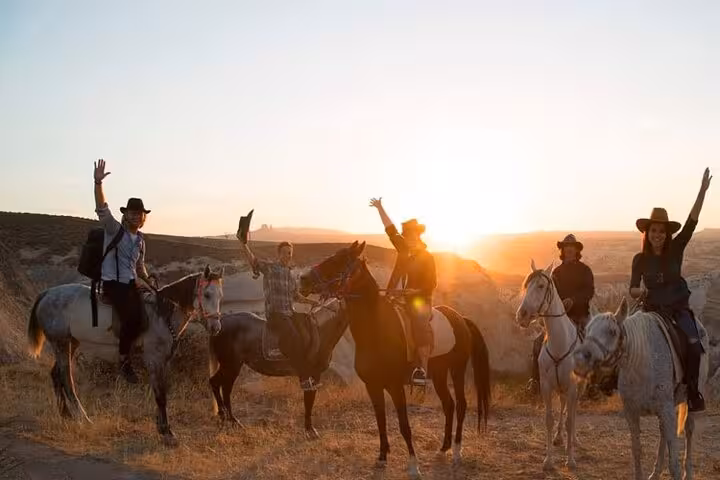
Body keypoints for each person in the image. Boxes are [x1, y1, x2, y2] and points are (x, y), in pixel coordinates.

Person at [629, 168, 712, 413]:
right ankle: (629, 388)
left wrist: (702, 192)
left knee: (694, 343)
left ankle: (692, 391)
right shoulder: (639, 259)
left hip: (677, 309)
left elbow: (692, 221)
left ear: (667, 234)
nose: (657, 235)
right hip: (651, 308)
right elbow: (633, 287)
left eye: (661, 231)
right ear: (647, 233)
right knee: (624, 340)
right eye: (653, 230)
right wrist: (639, 294)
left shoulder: (676, 248)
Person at [236, 233, 322, 391]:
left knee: (307, 325)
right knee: (294, 336)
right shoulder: (270, 268)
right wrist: (244, 244)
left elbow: (296, 296)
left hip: (289, 311)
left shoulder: (291, 274)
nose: (287, 256)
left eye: (290, 253)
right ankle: (303, 379)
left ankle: (306, 364)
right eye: (284, 253)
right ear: (279, 254)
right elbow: (253, 262)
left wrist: (313, 302)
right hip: (276, 313)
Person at [93, 159, 153, 384]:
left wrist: (148, 279)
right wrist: (98, 183)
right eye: (132, 212)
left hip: (131, 283)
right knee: (131, 319)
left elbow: (140, 266)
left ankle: (138, 352)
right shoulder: (114, 229)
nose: (136, 216)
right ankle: (124, 363)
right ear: (125, 214)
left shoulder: (140, 240)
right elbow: (102, 208)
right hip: (113, 283)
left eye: (140, 213)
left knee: (149, 314)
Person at [369, 197, 437, 386]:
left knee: (418, 325)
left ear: (418, 236)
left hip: (419, 301)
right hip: (395, 297)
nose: (409, 238)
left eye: (412, 235)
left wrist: (413, 291)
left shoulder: (427, 257)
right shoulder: (403, 249)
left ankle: (422, 370)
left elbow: (432, 283)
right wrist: (380, 208)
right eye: (406, 235)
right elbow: (390, 230)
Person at [527, 234, 595, 394]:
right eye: (566, 247)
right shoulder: (556, 272)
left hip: (580, 316)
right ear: (562, 250)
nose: (569, 249)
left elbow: (589, 292)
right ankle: (535, 381)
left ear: (577, 250)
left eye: (572, 247)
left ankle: (592, 385)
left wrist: (573, 300)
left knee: (590, 344)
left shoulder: (585, 271)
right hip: (560, 319)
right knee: (537, 344)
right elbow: (549, 295)